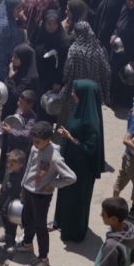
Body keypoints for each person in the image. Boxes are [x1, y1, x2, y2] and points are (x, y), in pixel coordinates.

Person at [15, 122, 77, 266]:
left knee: (40, 226)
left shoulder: (54, 157)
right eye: (33, 141)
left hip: (41, 197)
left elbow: (71, 177)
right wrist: (23, 186)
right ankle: (27, 243)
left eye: (38, 142)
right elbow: (29, 167)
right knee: (27, 218)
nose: (35, 145)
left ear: (48, 139)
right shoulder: (34, 148)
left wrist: (53, 184)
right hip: (29, 191)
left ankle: (43, 258)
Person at [55, 80, 106, 243]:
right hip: (71, 161)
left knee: (77, 200)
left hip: (82, 168)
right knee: (66, 193)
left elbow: (90, 147)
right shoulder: (80, 109)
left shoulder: (91, 121)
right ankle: (62, 222)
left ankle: (74, 232)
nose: (72, 93)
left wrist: (69, 137)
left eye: (75, 91)